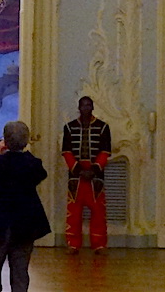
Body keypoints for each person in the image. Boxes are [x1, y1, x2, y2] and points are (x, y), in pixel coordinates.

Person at [0, 120, 50, 292]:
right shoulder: (32, 164)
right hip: (25, 224)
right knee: (20, 273)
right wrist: (23, 151)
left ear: (5, 141)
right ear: (26, 141)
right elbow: (41, 173)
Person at [60, 95, 111, 252]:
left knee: (98, 212)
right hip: (76, 175)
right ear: (79, 108)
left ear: (93, 107)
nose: (86, 108)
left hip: (95, 175)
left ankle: (99, 244)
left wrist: (94, 169)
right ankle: (73, 244)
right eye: (83, 105)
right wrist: (78, 170)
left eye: (89, 105)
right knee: (74, 213)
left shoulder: (103, 127)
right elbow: (66, 152)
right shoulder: (69, 128)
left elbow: (105, 152)